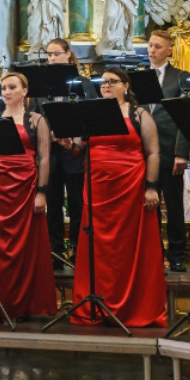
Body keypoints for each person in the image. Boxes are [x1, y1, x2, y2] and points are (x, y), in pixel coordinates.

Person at [67, 67, 167, 328]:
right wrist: (68, 145)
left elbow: (153, 152)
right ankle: (97, 301)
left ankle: (133, 304)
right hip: (97, 189)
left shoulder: (139, 114)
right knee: (99, 248)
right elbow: (79, 149)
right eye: (103, 83)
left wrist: (151, 186)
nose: (106, 86)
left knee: (127, 247)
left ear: (126, 86)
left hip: (131, 187)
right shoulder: (91, 113)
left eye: (112, 82)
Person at [0, 73, 56, 319]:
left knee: (26, 245)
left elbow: (43, 158)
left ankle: (25, 303)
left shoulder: (36, 119)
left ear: (24, 91)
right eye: (3, 88)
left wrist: (41, 193)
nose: (7, 92)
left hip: (26, 187)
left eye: (12, 87)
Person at [142, 30, 190, 272]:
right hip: (142, 153)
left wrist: (181, 152)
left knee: (173, 206)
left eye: (157, 47)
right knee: (146, 206)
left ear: (169, 50)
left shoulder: (181, 77)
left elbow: (186, 118)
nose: (152, 50)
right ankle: (151, 253)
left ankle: (176, 254)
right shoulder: (138, 77)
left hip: (169, 150)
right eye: (150, 46)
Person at [42, 38, 93, 267]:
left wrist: (74, 139)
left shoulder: (82, 83)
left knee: (76, 204)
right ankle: (54, 252)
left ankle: (77, 247)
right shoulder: (43, 86)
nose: (51, 58)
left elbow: (91, 114)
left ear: (68, 54)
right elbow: (35, 114)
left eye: (55, 54)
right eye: (48, 55)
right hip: (50, 154)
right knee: (52, 203)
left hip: (74, 152)